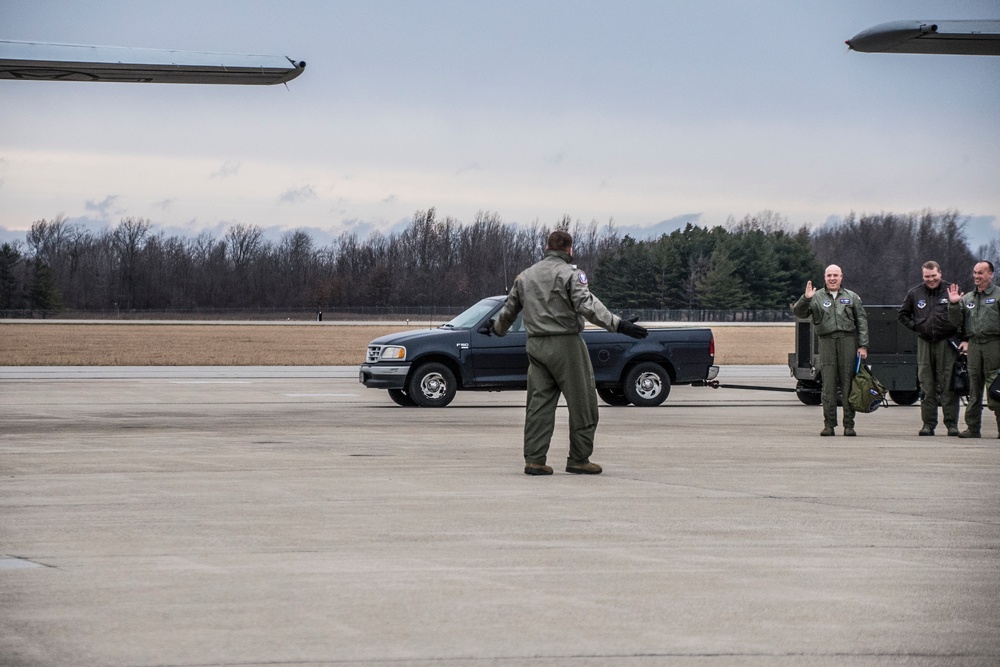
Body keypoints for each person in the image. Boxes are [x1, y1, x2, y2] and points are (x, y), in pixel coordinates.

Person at [490, 230, 648, 476]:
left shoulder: (525, 277)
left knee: (539, 405)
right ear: (569, 250)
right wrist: (618, 324)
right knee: (583, 403)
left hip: (535, 346)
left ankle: (534, 459)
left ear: (546, 247)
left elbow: (509, 311)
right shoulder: (570, 274)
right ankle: (579, 458)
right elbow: (587, 305)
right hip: (566, 345)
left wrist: (497, 329)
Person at [792, 265, 869, 436]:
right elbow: (799, 312)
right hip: (826, 341)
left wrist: (863, 345)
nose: (832, 278)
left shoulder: (851, 296)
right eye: (829, 275)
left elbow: (862, 321)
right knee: (828, 385)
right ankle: (829, 424)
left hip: (848, 341)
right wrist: (805, 298)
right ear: (825, 277)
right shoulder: (816, 297)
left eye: (835, 275)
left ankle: (849, 425)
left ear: (841, 277)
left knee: (848, 383)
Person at [898, 261, 960, 436]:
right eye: (927, 276)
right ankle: (928, 424)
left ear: (940, 273)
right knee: (926, 386)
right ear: (922, 276)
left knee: (948, 385)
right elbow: (902, 315)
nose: (931, 279)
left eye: (934, 276)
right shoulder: (915, 293)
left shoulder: (951, 291)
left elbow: (961, 316)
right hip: (925, 342)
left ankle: (951, 424)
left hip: (946, 343)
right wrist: (917, 326)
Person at [947, 260, 1000, 438]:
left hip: (994, 344)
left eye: (981, 273)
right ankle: (973, 427)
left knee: (996, 386)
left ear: (990, 274)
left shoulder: (998, 295)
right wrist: (954, 304)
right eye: (975, 273)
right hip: (975, 345)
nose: (977, 276)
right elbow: (955, 322)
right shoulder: (967, 298)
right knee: (974, 388)